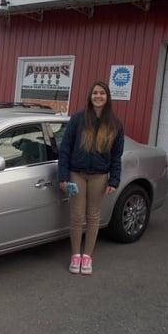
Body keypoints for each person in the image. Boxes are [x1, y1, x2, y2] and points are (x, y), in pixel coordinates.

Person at [58, 80, 124, 275]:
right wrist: (63, 176)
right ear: (90, 96)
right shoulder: (78, 119)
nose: (98, 96)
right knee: (77, 216)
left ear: (107, 97)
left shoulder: (115, 124)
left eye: (102, 93)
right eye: (95, 93)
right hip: (76, 174)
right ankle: (75, 256)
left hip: (99, 176)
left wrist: (114, 180)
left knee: (93, 216)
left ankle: (87, 257)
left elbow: (116, 155)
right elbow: (65, 150)